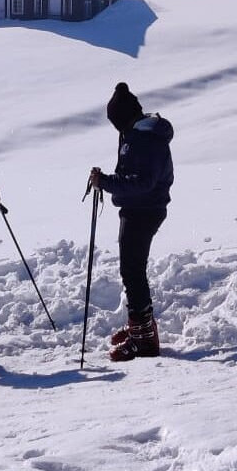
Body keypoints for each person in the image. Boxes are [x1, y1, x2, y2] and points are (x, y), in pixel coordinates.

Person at [89, 82, 173, 361]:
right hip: (138, 208)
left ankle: (144, 340)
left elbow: (143, 182)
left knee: (132, 270)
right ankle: (141, 328)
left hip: (144, 209)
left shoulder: (143, 137)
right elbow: (134, 173)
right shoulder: (136, 133)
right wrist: (109, 181)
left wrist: (107, 183)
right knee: (131, 270)